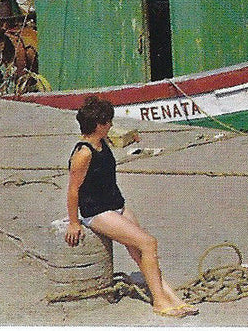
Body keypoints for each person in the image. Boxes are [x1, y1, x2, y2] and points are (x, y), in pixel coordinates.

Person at [64, 95, 197, 318]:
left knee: (140, 251)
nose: (112, 125)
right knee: (148, 243)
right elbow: (73, 189)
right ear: (99, 125)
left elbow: (118, 139)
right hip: (97, 212)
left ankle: (170, 295)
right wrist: (74, 222)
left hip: (116, 204)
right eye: (108, 122)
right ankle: (160, 302)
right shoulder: (83, 153)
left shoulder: (101, 142)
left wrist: (133, 137)